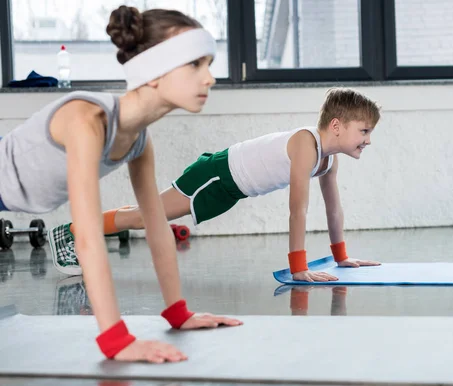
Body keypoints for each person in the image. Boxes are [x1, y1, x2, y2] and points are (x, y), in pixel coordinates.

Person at [0, 5, 241, 362]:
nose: (209, 79)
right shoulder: (88, 121)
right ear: (154, 73)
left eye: (208, 65)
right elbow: (86, 234)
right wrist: (116, 341)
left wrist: (179, 313)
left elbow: (157, 225)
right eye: (195, 64)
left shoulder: (139, 141)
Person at [48, 88, 382, 282]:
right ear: (336, 125)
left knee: (145, 214)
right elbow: (298, 210)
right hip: (217, 174)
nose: (368, 140)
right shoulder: (305, 145)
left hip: (230, 188)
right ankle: (72, 232)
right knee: (144, 218)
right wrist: (298, 268)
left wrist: (341, 257)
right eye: (364, 131)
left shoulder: (327, 159)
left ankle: (77, 229)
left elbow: (333, 207)